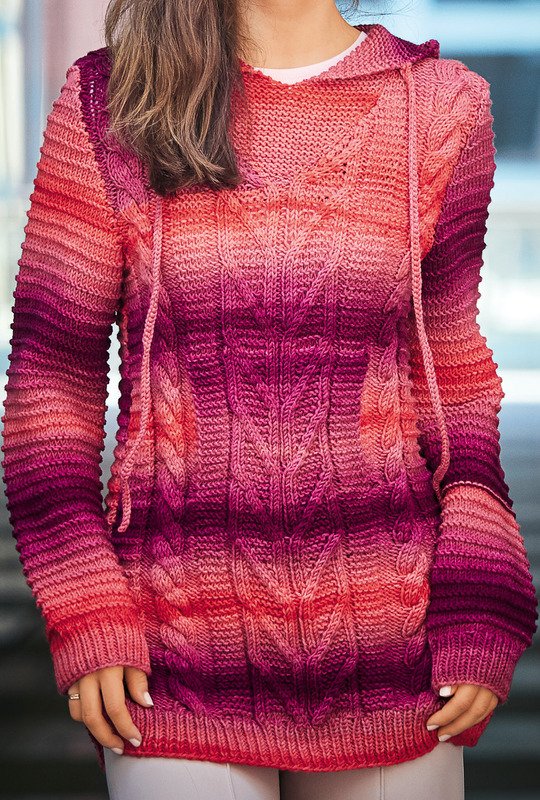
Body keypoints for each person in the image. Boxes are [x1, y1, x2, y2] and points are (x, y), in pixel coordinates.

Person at [2, 1, 538, 798]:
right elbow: (51, 385)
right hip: (170, 653)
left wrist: (482, 581)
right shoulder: (111, 103)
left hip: (393, 651)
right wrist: (82, 597)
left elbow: (453, 381)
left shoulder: (441, 104)